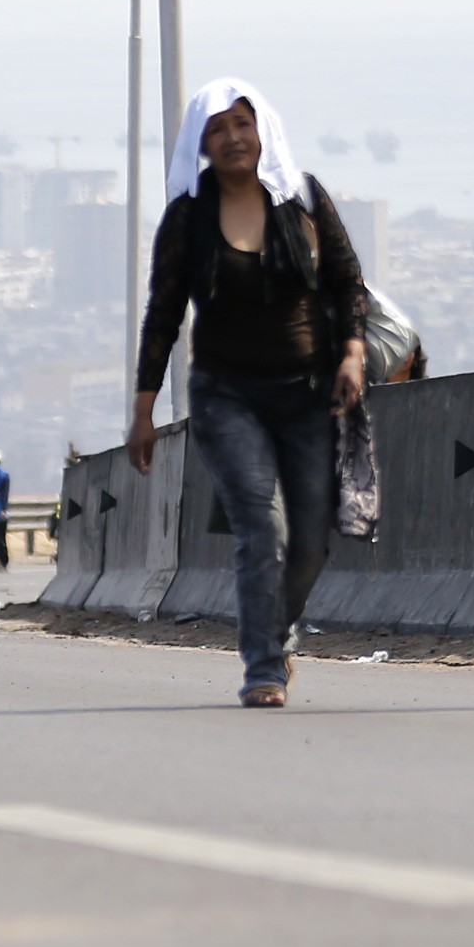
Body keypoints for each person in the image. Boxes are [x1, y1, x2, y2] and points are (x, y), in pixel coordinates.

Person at [128, 77, 369, 709]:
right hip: (226, 393)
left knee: (312, 541)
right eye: (218, 128)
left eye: (243, 123)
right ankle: (263, 665)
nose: (233, 138)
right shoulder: (189, 216)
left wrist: (352, 352)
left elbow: (348, 282)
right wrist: (143, 410)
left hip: (307, 392)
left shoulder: (303, 197)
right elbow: (163, 313)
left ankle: (278, 631)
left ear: (263, 131)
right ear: (200, 145)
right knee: (263, 528)